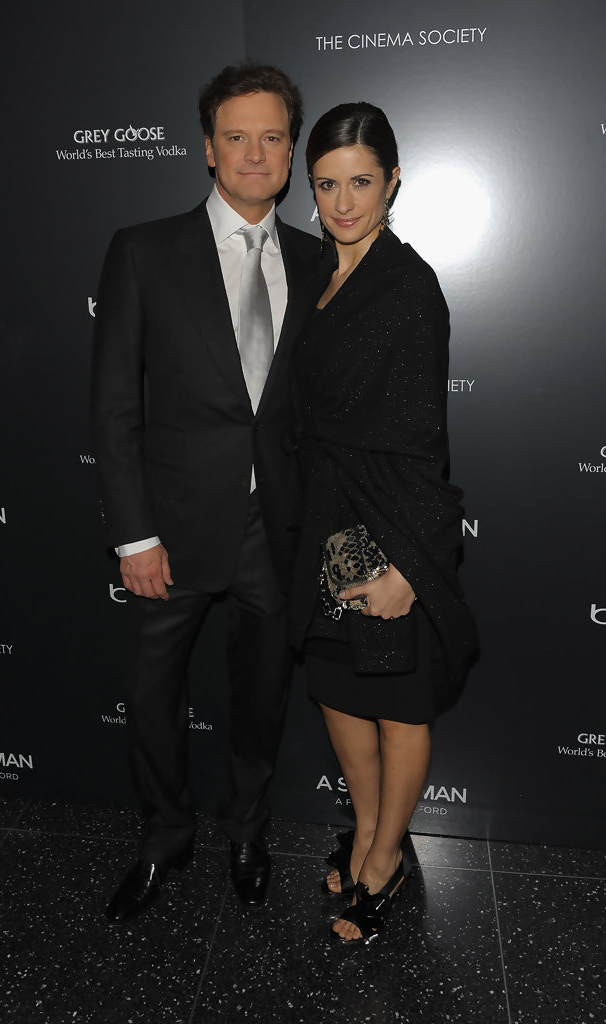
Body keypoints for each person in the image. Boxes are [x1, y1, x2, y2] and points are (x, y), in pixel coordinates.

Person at [91, 63, 320, 925]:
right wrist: (134, 535)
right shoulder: (143, 251)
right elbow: (115, 405)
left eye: (272, 137)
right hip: (172, 528)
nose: (255, 153)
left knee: (262, 696)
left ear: (290, 153)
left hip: (278, 526)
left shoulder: (318, 260)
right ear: (208, 149)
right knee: (152, 695)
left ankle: (247, 831)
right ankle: (164, 836)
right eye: (237, 136)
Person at [289, 102, 478, 947]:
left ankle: (387, 858)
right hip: (321, 523)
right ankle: (367, 830)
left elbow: (427, 439)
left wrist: (410, 563)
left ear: (393, 181)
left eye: (361, 182)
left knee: (398, 707)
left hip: (386, 523)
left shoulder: (409, 287)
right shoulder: (311, 276)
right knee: (338, 693)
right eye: (326, 184)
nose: (343, 202)